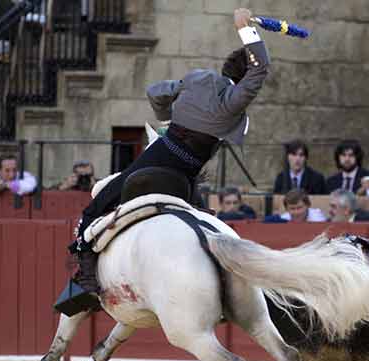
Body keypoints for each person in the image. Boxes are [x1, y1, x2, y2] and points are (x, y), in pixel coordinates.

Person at [71, 8, 269, 293]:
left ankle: (86, 266)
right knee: (206, 221)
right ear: (244, 81)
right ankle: (221, 280)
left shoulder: (198, 78)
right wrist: (245, 28)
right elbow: (260, 68)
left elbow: (155, 92)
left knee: (101, 200)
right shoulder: (234, 102)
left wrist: (165, 118)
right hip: (189, 174)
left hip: (163, 155)